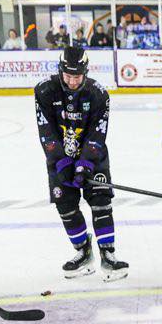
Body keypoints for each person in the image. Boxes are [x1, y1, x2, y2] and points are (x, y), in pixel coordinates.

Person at [36, 46, 127, 282]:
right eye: (68, 76)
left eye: (77, 77)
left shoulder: (98, 93)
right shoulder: (44, 90)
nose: (73, 81)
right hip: (59, 161)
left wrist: (85, 162)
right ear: (60, 71)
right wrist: (63, 162)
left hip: (93, 158)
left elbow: (98, 132)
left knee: (101, 202)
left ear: (85, 73)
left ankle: (108, 254)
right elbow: (46, 131)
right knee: (65, 206)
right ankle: (82, 252)